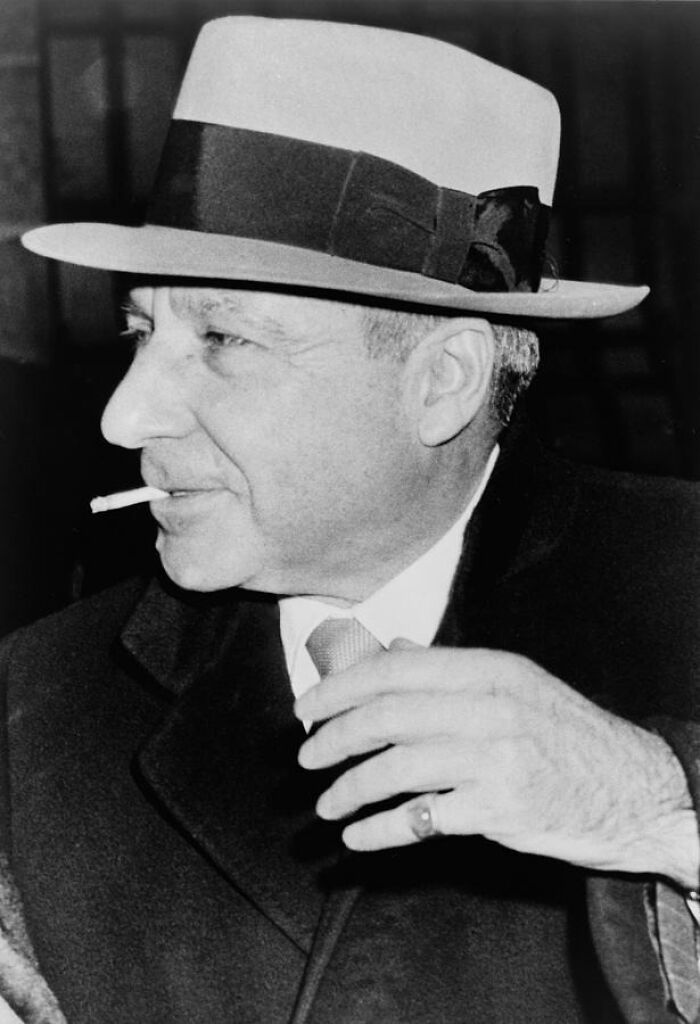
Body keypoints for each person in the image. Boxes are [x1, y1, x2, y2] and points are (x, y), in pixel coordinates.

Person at [3, 15, 699, 1024]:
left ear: (441, 381)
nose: (125, 413)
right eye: (141, 330)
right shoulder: (38, 705)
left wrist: (663, 814)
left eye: (224, 338)